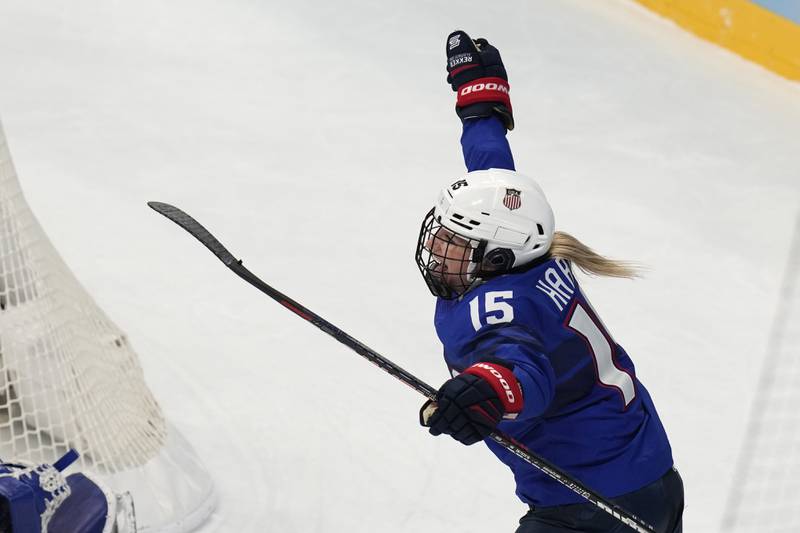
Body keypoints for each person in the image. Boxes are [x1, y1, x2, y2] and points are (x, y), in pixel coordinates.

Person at [416, 31, 684, 533]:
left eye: (455, 240)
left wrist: (486, 390)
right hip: (646, 479)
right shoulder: (532, 251)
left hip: (593, 508)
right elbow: (493, 174)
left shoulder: (497, 305)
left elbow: (524, 374)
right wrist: (481, 103)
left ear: (494, 257)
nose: (438, 248)